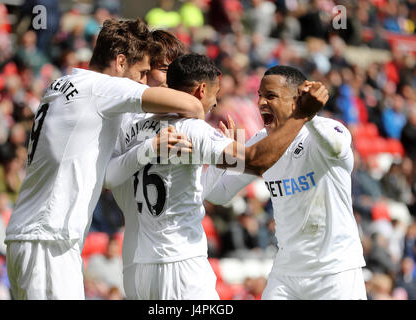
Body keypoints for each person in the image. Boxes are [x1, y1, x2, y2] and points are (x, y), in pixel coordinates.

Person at [4, 18, 205, 300]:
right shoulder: (103, 88)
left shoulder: (61, 83)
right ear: (121, 62)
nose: (142, 80)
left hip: (34, 235)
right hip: (48, 237)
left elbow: (107, 175)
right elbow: (192, 104)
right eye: (142, 71)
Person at [105, 54, 326, 299]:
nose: (215, 103)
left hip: (143, 266)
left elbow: (200, 188)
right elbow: (257, 162)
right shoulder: (191, 128)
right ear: (201, 90)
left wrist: (227, 151)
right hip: (182, 265)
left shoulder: (137, 129)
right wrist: (301, 115)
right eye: (215, 93)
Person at [204, 65, 367, 300]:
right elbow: (219, 195)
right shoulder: (261, 144)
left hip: (335, 272)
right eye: (259, 95)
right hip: (286, 274)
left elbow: (336, 147)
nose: (260, 103)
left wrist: (307, 115)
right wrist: (221, 159)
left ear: (296, 100)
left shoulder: (328, 130)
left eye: (270, 96)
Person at [107, 29, 187, 300]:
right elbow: (109, 177)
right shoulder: (121, 115)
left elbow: (213, 188)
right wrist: (149, 148)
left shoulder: (186, 116)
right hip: (137, 250)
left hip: (182, 251)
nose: (170, 79)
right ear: (144, 68)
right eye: (163, 69)